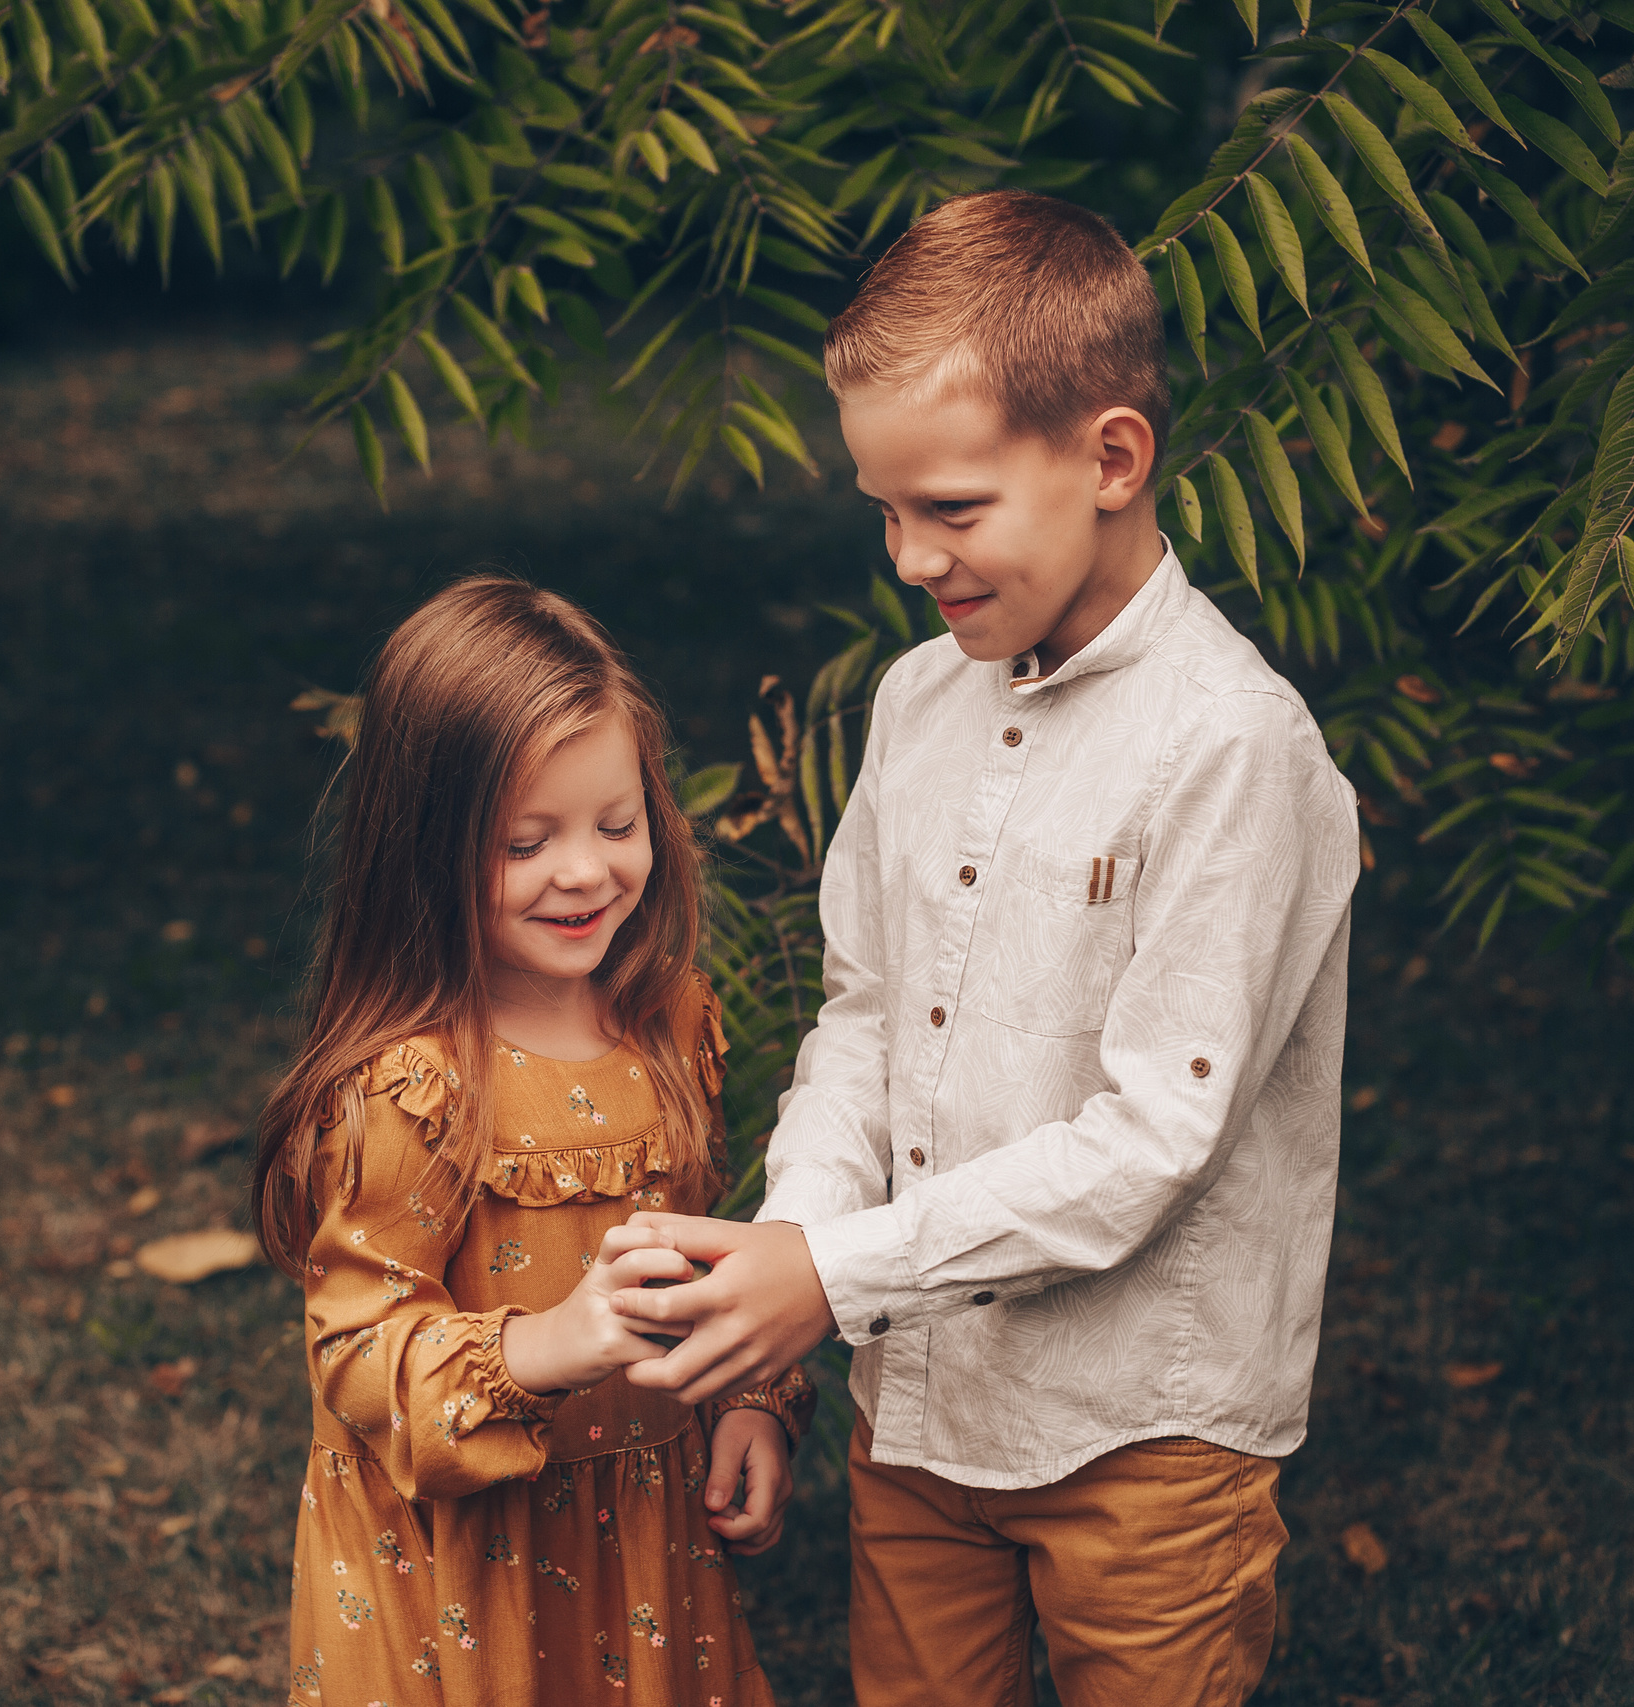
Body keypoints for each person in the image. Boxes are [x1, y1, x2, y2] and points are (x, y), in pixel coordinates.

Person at [609, 189, 1362, 1705]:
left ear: (1111, 459)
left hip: (1144, 1437)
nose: (908, 556)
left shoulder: (1233, 748)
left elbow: (1155, 1141)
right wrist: (783, 1294)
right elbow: (865, 1020)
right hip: (921, 1412)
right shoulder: (914, 703)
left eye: (950, 510)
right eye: (883, 512)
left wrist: (830, 1274)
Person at [254, 576, 815, 1706]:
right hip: (464, 1575)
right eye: (525, 842)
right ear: (426, 849)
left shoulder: (667, 1023)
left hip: (644, 1540)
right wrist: (544, 1347)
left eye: (618, 824)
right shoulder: (414, 1088)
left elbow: (694, 1257)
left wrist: (745, 1398)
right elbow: (357, 1353)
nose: (586, 871)